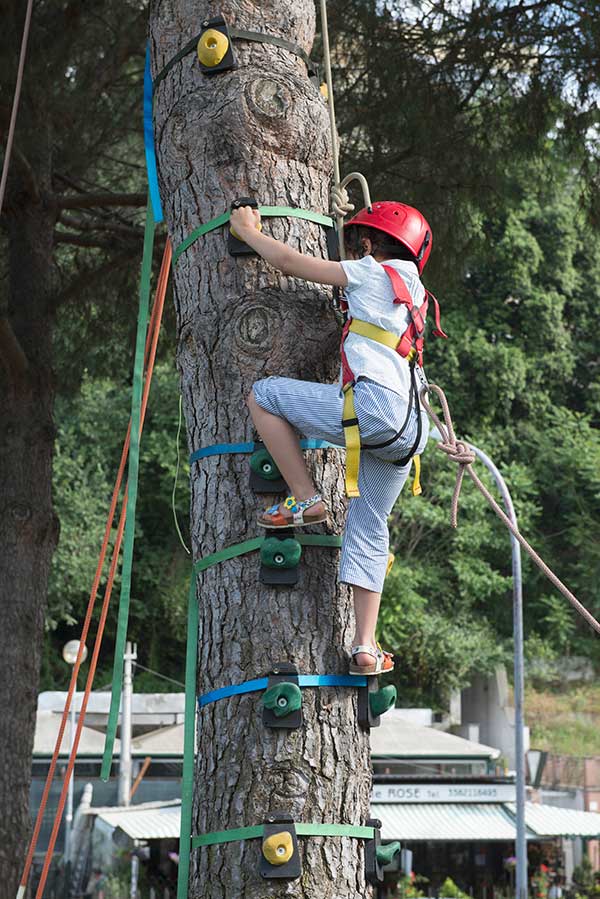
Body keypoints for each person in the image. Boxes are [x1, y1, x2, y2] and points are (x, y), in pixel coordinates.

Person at [230, 194, 443, 675]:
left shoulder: (369, 272)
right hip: (409, 432)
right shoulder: (416, 294)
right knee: (369, 527)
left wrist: (248, 231)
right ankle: (364, 647)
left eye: (359, 244)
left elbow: (291, 262)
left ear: (370, 244)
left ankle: (306, 496)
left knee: (263, 395)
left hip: (375, 412)